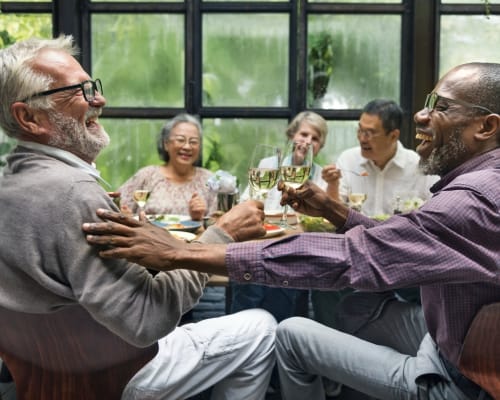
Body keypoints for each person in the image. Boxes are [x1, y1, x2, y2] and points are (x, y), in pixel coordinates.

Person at [83, 61, 500, 400]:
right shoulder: (483, 183)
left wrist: (183, 253)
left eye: (441, 106)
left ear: (486, 127)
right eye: (428, 102)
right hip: (451, 333)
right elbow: (401, 242)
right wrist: (337, 212)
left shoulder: (473, 199)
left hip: (458, 377)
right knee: (352, 307)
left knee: (288, 333)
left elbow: (355, 257)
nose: (422, 114)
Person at [0, 35, 277, 400]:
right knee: (262, 326)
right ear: (29, 117)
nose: (100, 99)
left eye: (92, 86)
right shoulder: (74, 194)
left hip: (44, 374)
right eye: (79, 90)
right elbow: (147, 320)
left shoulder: (11, 185)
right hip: (113, 372)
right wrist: (222, 233)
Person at [313, 99, 439, 337]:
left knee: (431, 285)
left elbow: (436, 212)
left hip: (402, 258)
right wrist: (332, 184)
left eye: (370, 133)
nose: (362, 138)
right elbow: (332, 215)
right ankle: (330, 346)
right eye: (360, 130)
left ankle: (425, 345)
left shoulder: (418, 166)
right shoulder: (348, 160)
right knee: (322, 277)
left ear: (393, 136)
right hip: (356, 254)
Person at [234, 111, 333, 324]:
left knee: (287, 285)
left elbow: (323, 220)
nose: (308, 142)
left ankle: (282, 335)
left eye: (315, 138)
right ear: (291, 136)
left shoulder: (321, 176)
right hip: (261, 242)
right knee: (248, 279)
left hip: (296, 248)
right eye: (304, 134)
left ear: (320, 146)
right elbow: (247, 201)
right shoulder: (269, 164)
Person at [118, 113, 217, 221]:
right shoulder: (147, 175)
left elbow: (218, 224)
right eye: (180, 140)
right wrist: (124, 215)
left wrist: (199, 218)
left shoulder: (209, 181)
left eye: (193, 142)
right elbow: (117, 206)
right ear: (166, 144)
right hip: (148, 237)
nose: (187, 147)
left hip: (195, 238)